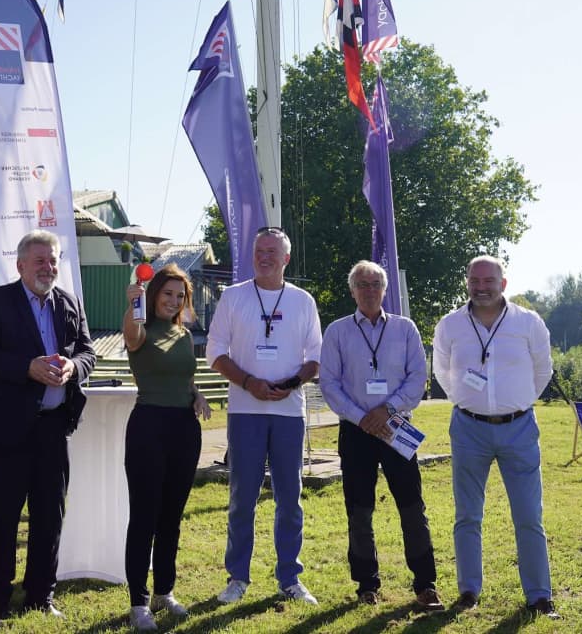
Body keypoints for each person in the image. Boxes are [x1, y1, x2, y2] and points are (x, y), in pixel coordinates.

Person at [0, 229, 96, 623]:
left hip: (53, 428)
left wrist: (74, 367)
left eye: (53, 260)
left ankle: (41, 595)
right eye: (40, 260)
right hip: (6, 429)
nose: (48, 266)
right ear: (20, 264)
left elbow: (88, 351)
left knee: (49, 515)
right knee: (2, 516)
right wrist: (27, 368)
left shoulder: (69, 302)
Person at [432, 255, 560, 619]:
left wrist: (515, 404)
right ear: (467, 282)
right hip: (468, 428)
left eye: (489, 280)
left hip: (519, 428)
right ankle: (469, 590)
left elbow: (542, 371)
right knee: (467, 514)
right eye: (475, 280)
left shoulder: (528, 323)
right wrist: (465, 401)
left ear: (503, 284)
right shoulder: (450, 325)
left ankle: (539, 595)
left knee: (528, 516)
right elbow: (442, 370)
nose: (481, 287)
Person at [205, 227, 321, 605]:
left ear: (286, 258)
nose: (264, 256)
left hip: (288, 412)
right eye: (259, 250)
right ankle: (238, 577)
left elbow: (315, 358)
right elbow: (215, 352)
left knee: (290, 497)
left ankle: (290, 577)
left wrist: (291, 382)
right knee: (243, 498)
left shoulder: (303, 301)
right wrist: (249, 382)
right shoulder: (234, 297)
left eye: (272, 251)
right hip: (245, 410)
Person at [319, 261, 442, 610]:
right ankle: (366, 585)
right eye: (362, 283)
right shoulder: (338, 331)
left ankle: (425, 584)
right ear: (352, 290)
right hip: (356, 431)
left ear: (385, 290)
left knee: (412, 508)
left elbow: (418, 378)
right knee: (359, 510)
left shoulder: (406, 329)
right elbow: (329, 383)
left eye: (375, 283)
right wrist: (362, 418)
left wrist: (385, 412)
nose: (369, 289)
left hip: (397, 427)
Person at [122, 264, 212, 631]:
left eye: (180, 296)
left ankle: (164, 591)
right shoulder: (140, 329)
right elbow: (130, 336)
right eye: (167, 294)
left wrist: (197, 393)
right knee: (144, 516)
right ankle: (138, 602)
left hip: (184, 429)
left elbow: (184, 375)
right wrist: (133, 304)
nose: (173, 302)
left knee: (171, 517)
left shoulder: (183, 335)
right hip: (148, 427)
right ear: (154, 293)